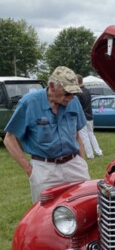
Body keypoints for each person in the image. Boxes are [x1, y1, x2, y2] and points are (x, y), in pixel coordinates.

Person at [4, 66, 90, 203]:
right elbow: (9, 139)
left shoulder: (74, 102)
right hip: (44, 169)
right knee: (45, 215)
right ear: (52, 86)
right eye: (68, 93)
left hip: (74, 165)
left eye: (74, 93)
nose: (72, 97)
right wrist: (29, 170)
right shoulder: (29, 102)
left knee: (83, 206)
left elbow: (77, 134)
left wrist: (82, 162)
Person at [76, 74, 103, 159]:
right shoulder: (87, 91)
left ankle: (90, 155)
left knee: (85, 137)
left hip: (83, 117)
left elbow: (78, 107)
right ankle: (98, 152)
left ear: (77, 82)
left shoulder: (78, 93)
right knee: (91, 134)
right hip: (89, 115)